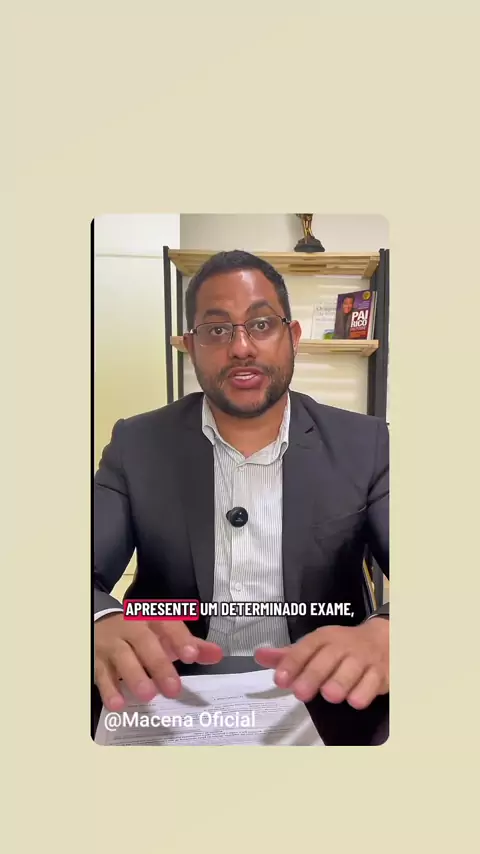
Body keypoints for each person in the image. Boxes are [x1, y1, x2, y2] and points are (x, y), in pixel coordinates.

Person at [94, 250, 389, 717]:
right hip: (170, 691)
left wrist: (388, 630)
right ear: (191, 346)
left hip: (328, 694)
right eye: (216, 330)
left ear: (292, 337)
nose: (241, 347)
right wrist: (100, 619)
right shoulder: (137, 444)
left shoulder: (365, 444)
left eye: (261, 324)